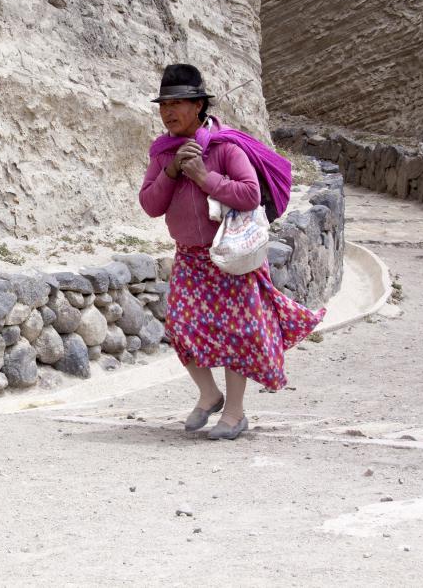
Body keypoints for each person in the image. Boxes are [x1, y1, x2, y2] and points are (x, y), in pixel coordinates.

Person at [139, 64, 326, 440]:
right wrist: (173, 171)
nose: (169, 112)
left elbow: (250, 194)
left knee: (235, 333)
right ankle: (209, 394)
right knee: (180, 328)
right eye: (164, 105)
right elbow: (150, 204)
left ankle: (236, 414)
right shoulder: (163, 155)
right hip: (191, 258)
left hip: (229, 256)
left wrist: (204, 177)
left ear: (198, 107)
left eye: (178, 103)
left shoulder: (225, 147)